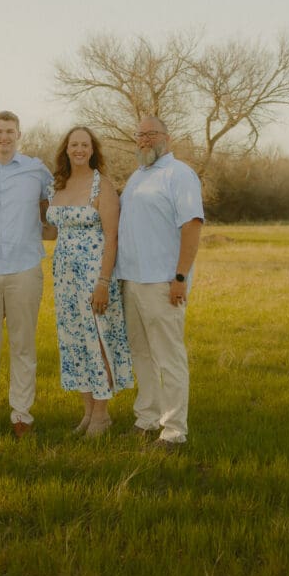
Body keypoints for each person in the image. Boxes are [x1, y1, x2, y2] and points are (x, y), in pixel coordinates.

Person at [116, 116, 204, 450]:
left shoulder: (178, 174)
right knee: (142, 353)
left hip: (163, 282)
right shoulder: (139, 175)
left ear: (167, 138)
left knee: (169, 357)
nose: (144, 140)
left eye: (151, 134)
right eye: (139, 134)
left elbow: (192, 225)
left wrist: (180, 276)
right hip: (133, 280)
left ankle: (174, 431)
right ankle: (147, 418)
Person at [0, 111, 52, 442]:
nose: (4, 137)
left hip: (25, 268)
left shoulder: (36, 170)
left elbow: (64, 196)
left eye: (10, 131)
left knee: (23, 346)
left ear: (19, 134)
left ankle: (21, 416)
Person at [46, 127, 133, 437]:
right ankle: (86, 414)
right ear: (66, 149)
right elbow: (51, 230)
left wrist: (103, 282)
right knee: (76, 342)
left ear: (93, 150)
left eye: (85, 144)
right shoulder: (56, 185)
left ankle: (102, 415)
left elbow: (112, 236)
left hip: (94, 272)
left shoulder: (103, 186)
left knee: (98, 339)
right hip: (64, 276)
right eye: (74, 144)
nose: (79, 149)